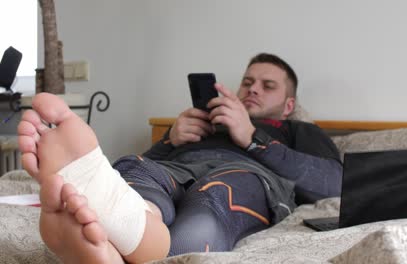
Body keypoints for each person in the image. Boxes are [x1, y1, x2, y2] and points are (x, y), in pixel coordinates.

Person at [17, 53, 342, 263]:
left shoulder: (297, 129)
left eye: (267, 85)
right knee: (135, 168)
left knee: (216, 194)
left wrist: (252, 139)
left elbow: (334, 182)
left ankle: (124, 246)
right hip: (174, 166)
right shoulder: (203, 123)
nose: (252, 89)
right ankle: (131, 223)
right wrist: (169, 139)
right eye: (247, 82)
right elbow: (149, 160)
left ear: (288, 105)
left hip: (245, 173)